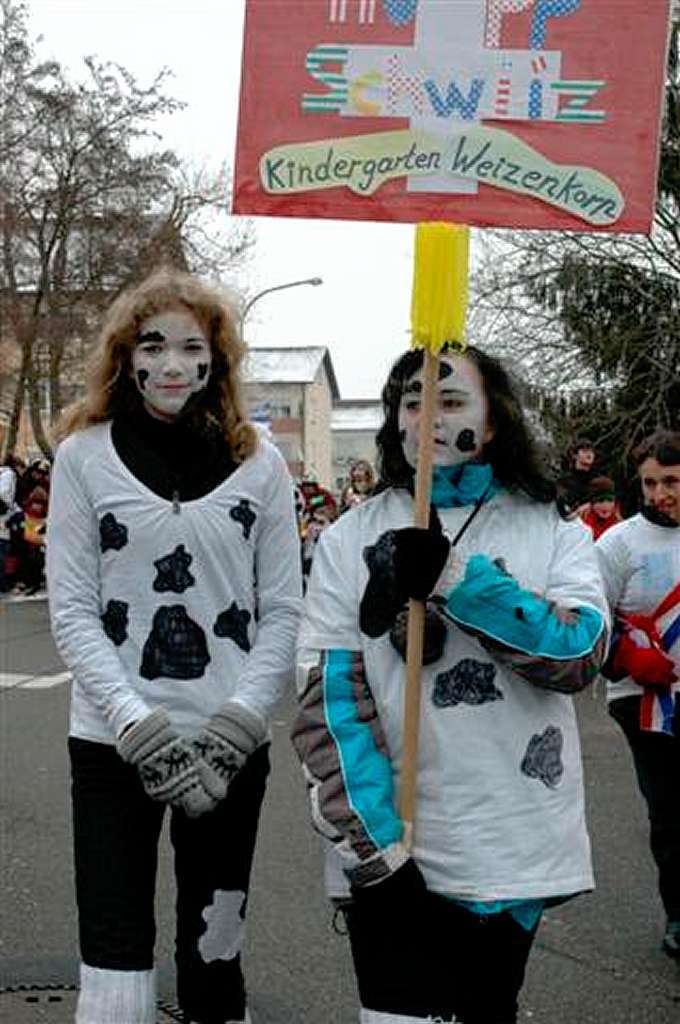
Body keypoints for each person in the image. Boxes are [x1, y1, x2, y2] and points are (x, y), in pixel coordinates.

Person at [292, 345, 609, 1024]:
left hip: (511, 852)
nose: (428, 418)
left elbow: (580, 653)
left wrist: (455, 579)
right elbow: (329, 707)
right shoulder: (351, 537)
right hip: (397, 851)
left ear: (493, 423)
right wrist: (378, 853)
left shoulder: (552, 529)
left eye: (452, 401)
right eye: (413, 402)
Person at [46, 267, 302, 1024]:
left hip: (229, 747)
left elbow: (283, 609)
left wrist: (239, 725)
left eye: (192, 347)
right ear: (125, 357)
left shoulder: (262, 463)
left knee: (215, 944)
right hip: (111, 745)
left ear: (216, 360)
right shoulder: (83, 457)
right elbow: (71, 611)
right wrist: (136, 726)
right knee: (115, 952)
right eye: (151, 345)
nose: (170, 364)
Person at [595, 429, 680, 960]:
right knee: (672, 811)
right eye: (649, 483)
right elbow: (592, 624)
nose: (658, 495)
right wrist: (625, 657)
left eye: (670, 481)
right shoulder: (618, 545)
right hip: (643, 699)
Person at [556, 437, 598, 514]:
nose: (589, 454)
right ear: (575, 455)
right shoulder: (565, 480)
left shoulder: (599, 479)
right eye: (585, 451)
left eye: (592, 452)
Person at [580, 475, 622, 540]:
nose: (605, 506)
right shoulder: (582, 519)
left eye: (610, 500)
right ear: (592, 503)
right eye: (600, 501)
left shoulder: (620, 524)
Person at [0, 456, 18, 593]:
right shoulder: (9, 475)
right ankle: (5, 583)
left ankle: (5, 582)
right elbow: (5, 496)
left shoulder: (5, 474)